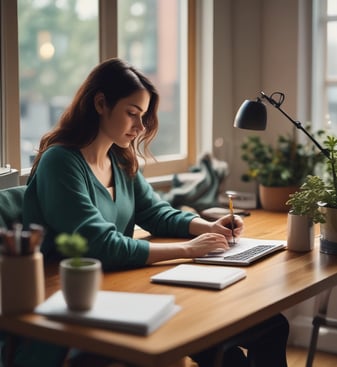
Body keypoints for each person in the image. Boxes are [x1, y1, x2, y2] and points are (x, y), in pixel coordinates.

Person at [18, 58, 288, 367]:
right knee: (213, 344)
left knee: (270, 327)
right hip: (72, 303)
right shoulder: (61, 163)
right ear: (101, 103)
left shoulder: (120, 160)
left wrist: (209, 226)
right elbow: (100, 244)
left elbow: (156, 213)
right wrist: (187, 249)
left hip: (120, 287)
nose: (140, 126)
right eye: (132, 114)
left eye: (143, 116)